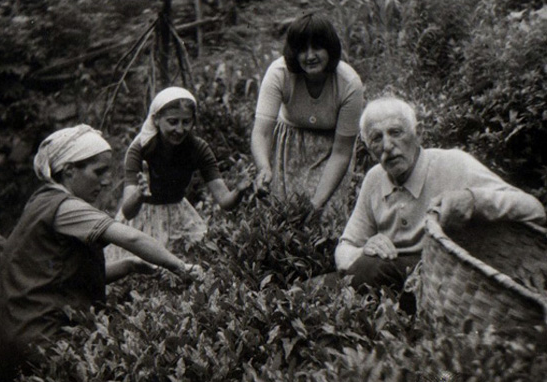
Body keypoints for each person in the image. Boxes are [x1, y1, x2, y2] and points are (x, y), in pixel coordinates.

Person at [0, 125, 202, 382]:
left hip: (8, 336)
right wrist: (181, 267)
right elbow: (131, 237)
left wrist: (129, 266)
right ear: (69, 170)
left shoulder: (41, 201)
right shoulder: (65, 207)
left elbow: (61, 278)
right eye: (98, 172)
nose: (106, 181)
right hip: (35, 339)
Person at [335, 96, 546, 297]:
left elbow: (533, 209)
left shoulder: (454, 164)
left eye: (396, 132)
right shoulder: (374, 179)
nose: (387, 146)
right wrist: (365, 250)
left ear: (418, 134)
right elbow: (344, 249)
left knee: (370, 271)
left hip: (450, 284)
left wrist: (473, 201)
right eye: (376, 138)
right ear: (369, 150)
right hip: (394, 283)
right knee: (364, 268)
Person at [106, 86, 250, 261]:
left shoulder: (199, 148)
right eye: (173, 122)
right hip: (141, 219)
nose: (180, 129)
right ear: (157, 119)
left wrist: (239, 191)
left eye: (186, 122)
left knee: (204, 259)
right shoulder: (140, 149)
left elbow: (225, 201)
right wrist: (139, 195)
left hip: (179, 214)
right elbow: (128, 212)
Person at [250, 13, 364, 216]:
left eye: (317, 47)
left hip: (331, 152)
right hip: (288, 147)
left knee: (325, 217)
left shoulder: (349, 84)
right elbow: (262, 133)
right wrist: (264, 168)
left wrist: (316, 204)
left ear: (330, 49)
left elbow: (341, 152)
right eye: (302, 49)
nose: (310, 56)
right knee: (282, 216)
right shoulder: (279, 73)